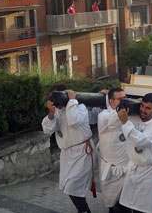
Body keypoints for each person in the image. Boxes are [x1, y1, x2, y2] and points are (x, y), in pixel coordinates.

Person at [41, 85, 94, 213]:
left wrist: (72, 100)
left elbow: (74, 121)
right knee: (66, 185)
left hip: (82, 151)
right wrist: (51, 113)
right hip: (67, 153)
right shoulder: (57, 111)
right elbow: (47, 129)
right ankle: (83, 210)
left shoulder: (80, 107)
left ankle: (84, 210)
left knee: (73, 185)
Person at [118, 93, 152, 213]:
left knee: (148, 209)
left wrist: (125, 122)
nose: (143, 110)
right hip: (135, 168)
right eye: (142, 106)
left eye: (148, 108)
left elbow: (140, 141)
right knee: (130, 205)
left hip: (151, 171)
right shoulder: (135, 116)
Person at [97, 88, 129, 213]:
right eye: (121, 99)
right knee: (113, 205)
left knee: (126, 204)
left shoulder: (128, 114)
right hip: (111, 169)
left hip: (127, 168)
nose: (124, 102)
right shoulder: (103, 116)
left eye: (125, 98)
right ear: (111, 101)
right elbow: (112, 121)